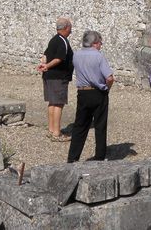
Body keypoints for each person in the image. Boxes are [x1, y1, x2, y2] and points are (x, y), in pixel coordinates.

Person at [67, 30, 114, 163]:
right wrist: (107, 89)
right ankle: (99, 155)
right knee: (100, 125)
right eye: (100, 43)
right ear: (94, 43)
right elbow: (109, 78)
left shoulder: (76, 55)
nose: (101, 45)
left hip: (82, 92)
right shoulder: (98, 56)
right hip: (98, 92)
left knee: (80, 126)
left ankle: (72, 157)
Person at [37, 17, 73, 141]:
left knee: (52, 102)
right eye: (70, 28)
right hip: (58, 77)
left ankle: (51, 129)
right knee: (58, 104)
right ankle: (57, 133)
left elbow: (45, 55)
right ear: (66, 28)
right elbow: (59, 58)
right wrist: (46, 66)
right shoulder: (62, 41)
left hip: (49, 76)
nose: (71, 30)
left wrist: (43, 64)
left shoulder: (53, 40)